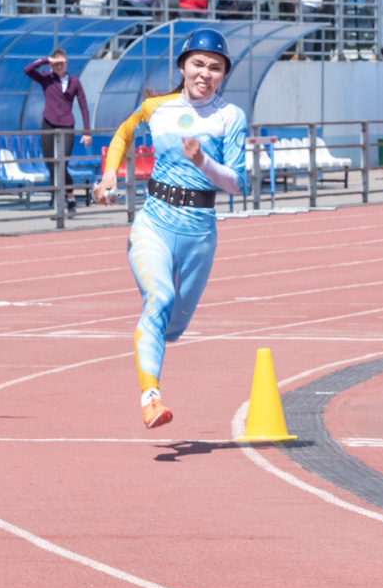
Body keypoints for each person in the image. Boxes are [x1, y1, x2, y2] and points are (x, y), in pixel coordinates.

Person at [91, 25, 250, 429]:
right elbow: (123, 134)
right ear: (182, 66)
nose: (205, 73)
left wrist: (202, 162)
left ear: (223, 74)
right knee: (157, 299)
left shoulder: (230, 117)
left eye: (215, 67)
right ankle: (150, 398)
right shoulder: (156, 108)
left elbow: (237, 183)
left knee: (173, 328)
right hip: (154, 221)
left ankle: (160, 352)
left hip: (199, 233)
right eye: (198, 63)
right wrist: (110, 174)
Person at [24, 47, 90, 207]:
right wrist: (47, 60)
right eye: (56, 64)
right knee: (50, 162)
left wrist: (86, 131)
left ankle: (65, 197)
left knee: (62, 162)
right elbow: (28, 70)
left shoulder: (74, 81)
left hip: (67, 125)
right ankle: (67, 196)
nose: (59, 66)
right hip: (48, 123)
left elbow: (83, 106)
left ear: (67, 63)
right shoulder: (46, 79)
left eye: (62, 63)